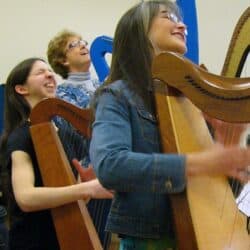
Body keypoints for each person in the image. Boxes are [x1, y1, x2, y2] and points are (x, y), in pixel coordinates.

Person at [89, 1, 250, 249]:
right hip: (148, 238)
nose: (182, 25)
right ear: (139, 32)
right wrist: (199, 163)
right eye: (169, 17)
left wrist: (228, 143)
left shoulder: (189, 102)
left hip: (199, 231)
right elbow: (110, 166)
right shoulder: (117, 95)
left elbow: (219, 191)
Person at [0, 57, 113, 250]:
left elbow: (70, 197)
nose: (50, 74)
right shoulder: (21, 137)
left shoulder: (60, 132)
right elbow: (25, 197)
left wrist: (83, 187)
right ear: (21, 89)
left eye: (50, 70)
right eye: (40, 72)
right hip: (34, 240)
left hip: (61, 236)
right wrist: (87, 189)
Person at [47, 29, 112, 249]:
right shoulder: (60, 95)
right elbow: (76, 130)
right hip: (89, 175)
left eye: (83, 42)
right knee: (95, 239)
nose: (83, 46)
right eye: (74, 45)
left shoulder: (101, 84)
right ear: (62, 60)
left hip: (117, 167)